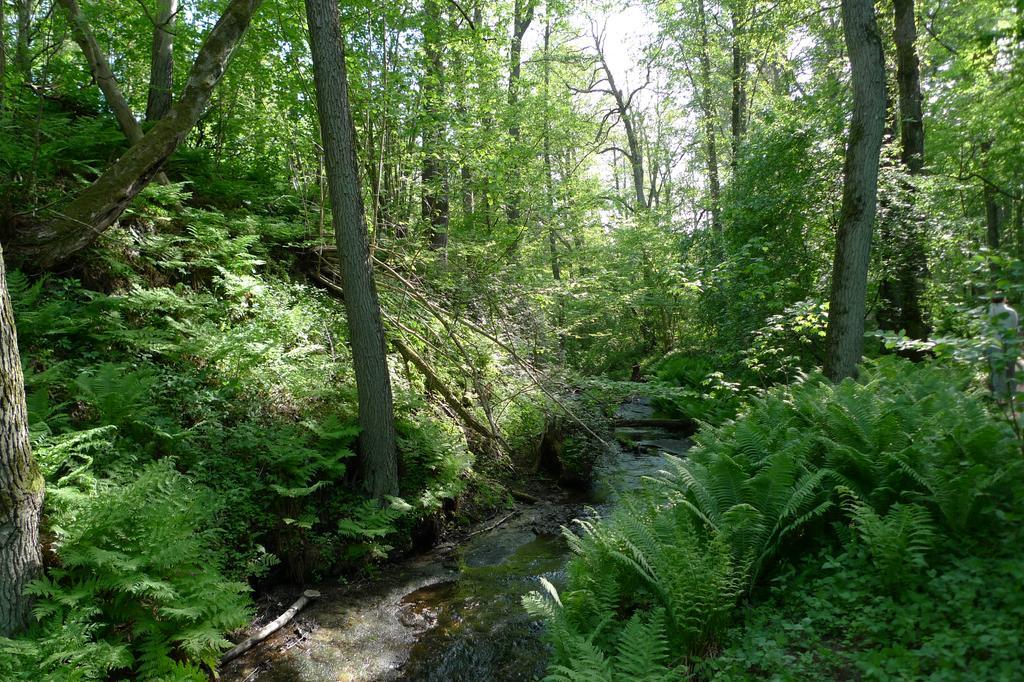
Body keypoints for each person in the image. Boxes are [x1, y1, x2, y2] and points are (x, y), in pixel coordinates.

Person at [987, 294, 1019, 401]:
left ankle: (998, 396)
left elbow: (986, 331)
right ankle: (1011, 394)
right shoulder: (1011, 312)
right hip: (1009, 343)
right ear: (1004, 299)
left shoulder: (990, 313)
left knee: (997, 370)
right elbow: (1014, 329)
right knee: (1010, 369)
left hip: (994, 344)